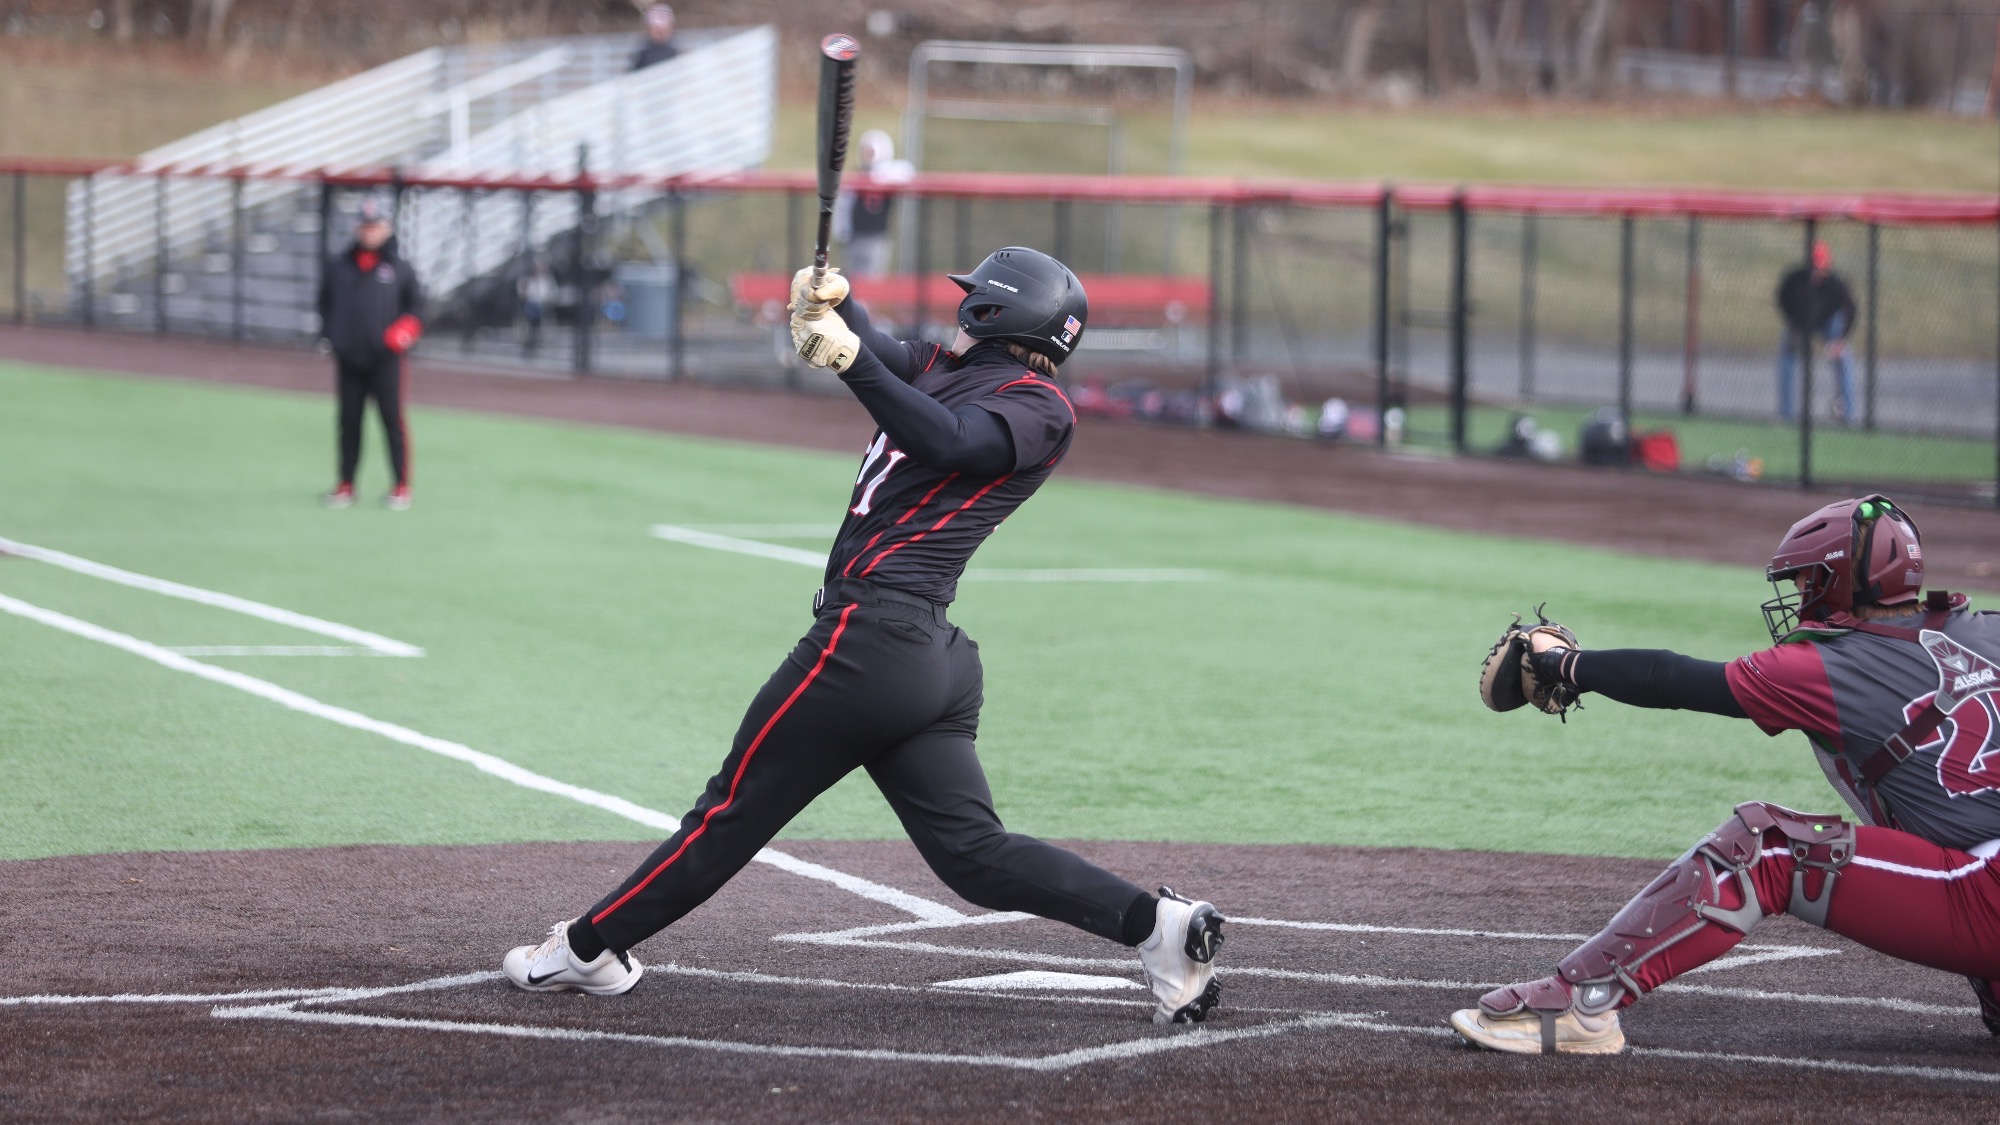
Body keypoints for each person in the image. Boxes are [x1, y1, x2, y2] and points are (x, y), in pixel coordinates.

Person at [499, 247, 1227, 1027]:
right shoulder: (941, 366)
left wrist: (850, 362)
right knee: (973, 857)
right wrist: (830, 303)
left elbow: (949, 440)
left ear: (1001, 311)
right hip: (918, 660)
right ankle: (1158, 927)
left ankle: (586, 948)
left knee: (728, 813)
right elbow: (875, 350)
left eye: (976, 296)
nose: (962, 306)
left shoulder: (1039, 404)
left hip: (870, 643)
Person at [1451, 495, 2000, 1055]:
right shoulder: (1989, 627)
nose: (1800, 596)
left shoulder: (1826, 666)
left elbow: (1671, 678)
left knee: (1767, 850)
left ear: (1837, 582)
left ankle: (1579, 1005)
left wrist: (1561, 664)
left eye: (1808, 579)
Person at [316, 194, 422, 510]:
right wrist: (330, 337)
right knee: (349, 421)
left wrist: (401, 334)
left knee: (392, 420)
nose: (369, 231)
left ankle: (400, 485)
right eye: (365, 225)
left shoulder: (400, 268)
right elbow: (324, 304)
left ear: (387, 228)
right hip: (349, 358)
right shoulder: (339, 267)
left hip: (386, 360)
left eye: (375, 225)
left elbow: (418, 309)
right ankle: (346, 484)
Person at [1775, 241, 1859, 426]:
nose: (1817, 272)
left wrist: (1840, 339)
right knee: (1787, 356)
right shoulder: (1796, 280)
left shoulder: (1836, 285)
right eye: (1814, 267)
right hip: (1802, 322)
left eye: (1820, 267)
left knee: (1844, 357)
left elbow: (1850, 311)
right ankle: (1785, 414)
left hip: (1829, 324)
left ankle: (1849, 414)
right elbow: (1782, 298)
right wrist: (1793, 323)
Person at [832, 130, 914, 280]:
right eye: (866, 151)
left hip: (877, 238)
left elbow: (906, 172)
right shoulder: (857, 176)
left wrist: (877, 174)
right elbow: (843, 205)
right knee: (851, 281)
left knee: (872, 281)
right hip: (855, 237)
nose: (868, 156)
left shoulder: (889, 175)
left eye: (871, 152)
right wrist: (841, 229)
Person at [631, 4, 677, 71]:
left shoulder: (675, 50)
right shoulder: (644, 53)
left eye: (663, 28)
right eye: (656, 28)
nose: (660, 32)